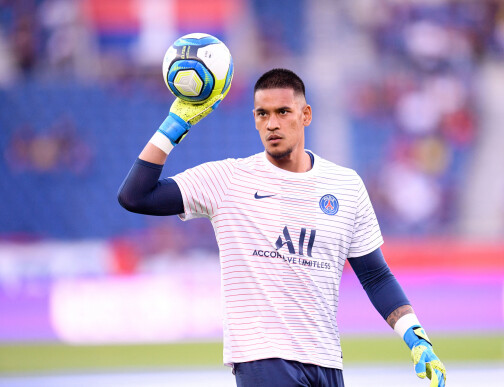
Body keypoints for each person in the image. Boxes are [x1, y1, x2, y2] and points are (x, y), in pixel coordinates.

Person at [118, 68, 446, 387]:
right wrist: (174, 125)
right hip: (263, 358)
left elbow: (375, 274)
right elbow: (136, 196)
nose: (271, 123)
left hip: (327, 360)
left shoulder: (346, 185)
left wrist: (416, 336)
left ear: (305, 115)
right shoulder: (228, 180)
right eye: (262, 114)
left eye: (283, 112)